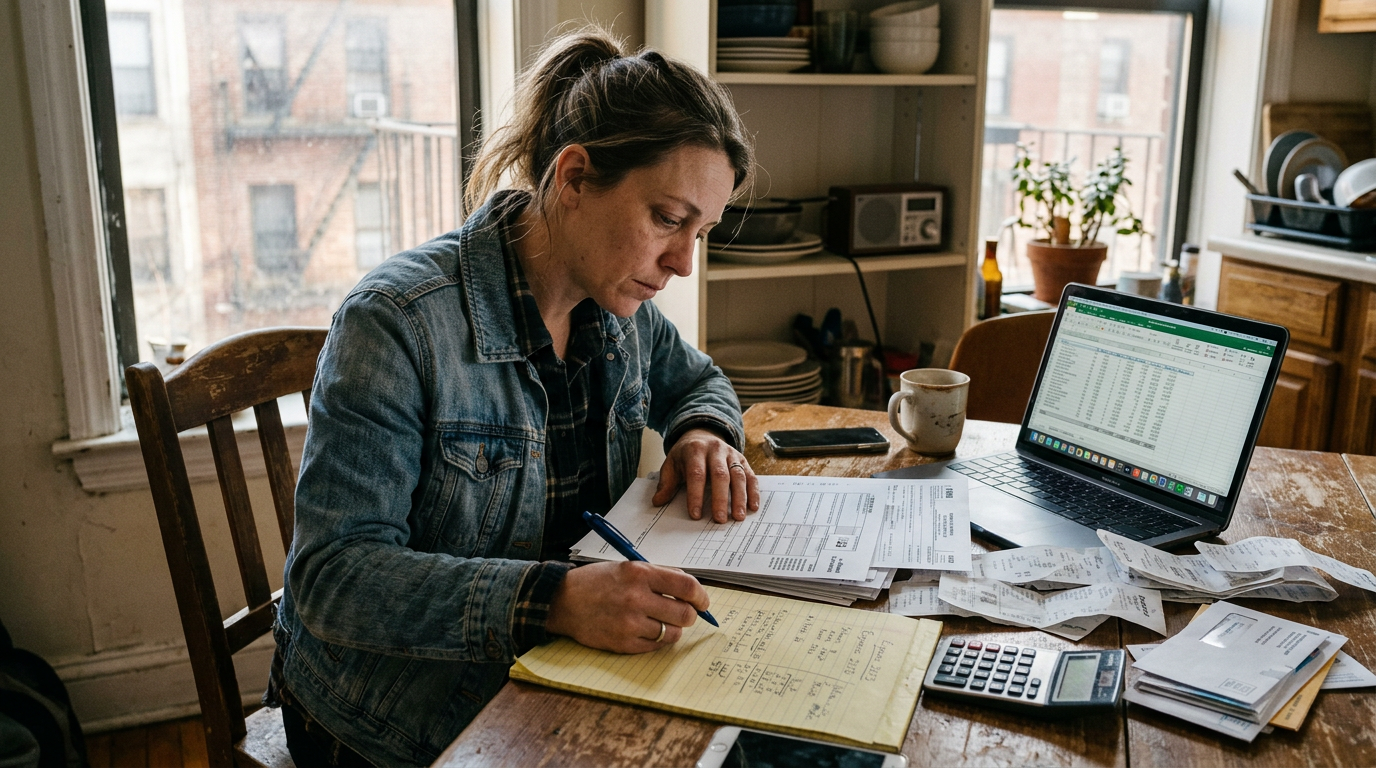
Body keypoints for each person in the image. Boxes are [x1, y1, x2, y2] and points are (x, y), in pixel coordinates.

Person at [266, 26, 760, 767]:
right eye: (667, 219)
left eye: (703, 231)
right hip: (384, 717)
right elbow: (333, 580)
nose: (683, 263)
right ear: (574, 178)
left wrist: (703, 432)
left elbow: (697, 380)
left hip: (556, 669)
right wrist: (555, 600)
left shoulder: (618, 305)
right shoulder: (397, 322)